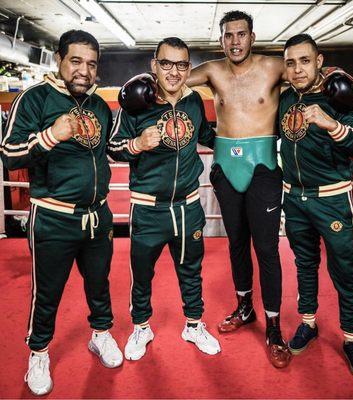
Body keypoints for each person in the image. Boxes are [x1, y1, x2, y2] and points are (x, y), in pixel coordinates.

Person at [0, 30, 123, 396]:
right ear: (59, 59)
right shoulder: (34, 99)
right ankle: (38, 352)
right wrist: (50, 135)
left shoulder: (100, 105)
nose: (84, 70)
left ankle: (100, 334)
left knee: (99, 285)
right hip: (53, 217)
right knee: (48, 292)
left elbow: (109, 151)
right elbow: (9, 154)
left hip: (97, 217)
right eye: (76, 61)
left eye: (91, 63)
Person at [186, 10, 290, 368]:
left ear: (252, 36)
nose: (234, 41)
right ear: (220, 40)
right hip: (225, 168)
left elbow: (312, 76)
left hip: (263, 168)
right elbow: (174, 79)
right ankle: (245, 306)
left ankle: (274, 325)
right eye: (228, 35)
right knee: (236, 243)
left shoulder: (275, 67)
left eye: (241, 34)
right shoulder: (213, 71)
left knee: (267, 248)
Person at [108, 37, 221, 361]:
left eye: (182, 64)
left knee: (191, 270)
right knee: (142, 274)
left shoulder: (194, 101)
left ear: (189, 68)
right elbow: (113, 147)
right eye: (167, 63)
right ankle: (141, 327)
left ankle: (194, 325)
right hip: (148, 208)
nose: (174, 71)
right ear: (154, 65)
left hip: (187, 206)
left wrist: (245, 142)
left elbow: (207, 136)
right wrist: (138, 144)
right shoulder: (136, 104)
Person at [279, 33, 353, 381]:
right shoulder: (285, 98)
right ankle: (308, 322)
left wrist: (332, 124)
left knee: (344, 271)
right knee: (304, 264)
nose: (298, 69)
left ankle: (351, 338)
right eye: (291, 62)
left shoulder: (340, 98)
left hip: (332, 198)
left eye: (305, 60)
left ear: (319, 61)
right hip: (295, 198)